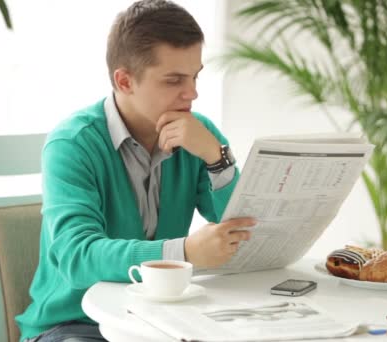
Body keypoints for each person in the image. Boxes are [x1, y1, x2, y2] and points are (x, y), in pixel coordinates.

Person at [15, 0, 256, 341]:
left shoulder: (198, 135)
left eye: (195, 76)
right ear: (125, 80)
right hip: (74, 325)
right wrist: (183, 252)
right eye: (174, 80)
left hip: (160, 321)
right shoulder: (72, 144)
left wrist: (217, 158)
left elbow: (247, 230)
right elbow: (77, 257)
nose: (192, 93)